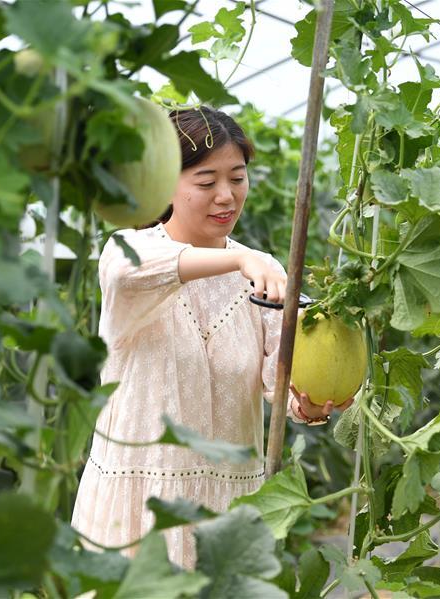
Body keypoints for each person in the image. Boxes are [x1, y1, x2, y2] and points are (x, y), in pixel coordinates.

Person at [69, 105, 354, 569]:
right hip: (139, 510)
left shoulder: (264, 272)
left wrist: (309, 405)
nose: (226, 196)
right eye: (206, 182)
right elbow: (129, 274)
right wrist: (240, 261)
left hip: (227, 514)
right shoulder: (128, 253)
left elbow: (276, 382)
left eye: (237, 178)